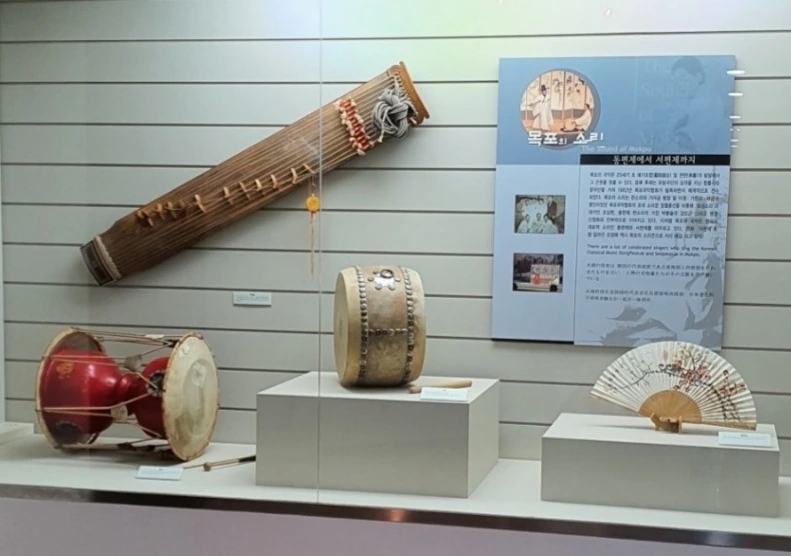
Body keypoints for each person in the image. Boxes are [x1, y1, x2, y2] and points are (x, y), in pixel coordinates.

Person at [669, 56, 728, 153]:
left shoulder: (709, 100)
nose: (679, 84)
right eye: (676, 80)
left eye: (683, 77)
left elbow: (687, 140)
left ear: (698, 77)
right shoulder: (694, 102)